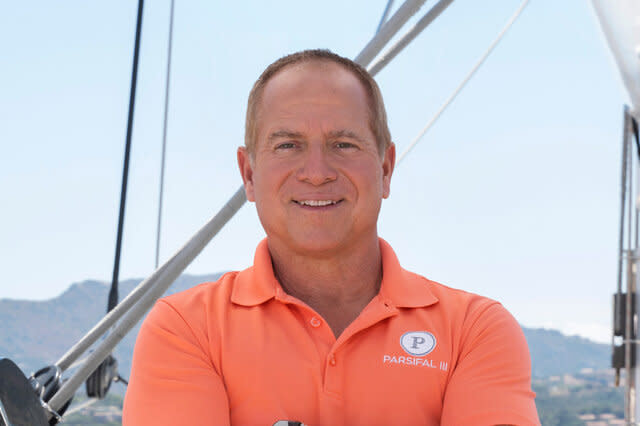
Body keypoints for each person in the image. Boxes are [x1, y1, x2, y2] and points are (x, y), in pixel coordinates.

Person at [123, 49, 540, 425]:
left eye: (343, 144)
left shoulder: (474, 331)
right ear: (249, 175)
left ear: (385, 169)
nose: (317, 171)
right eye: (288, 145)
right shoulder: (187, 329)